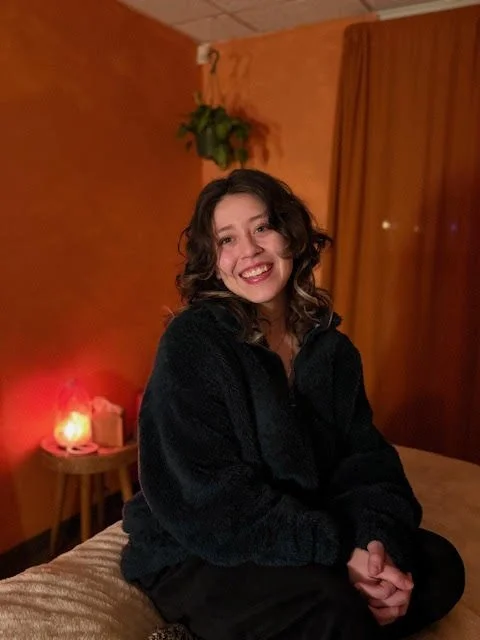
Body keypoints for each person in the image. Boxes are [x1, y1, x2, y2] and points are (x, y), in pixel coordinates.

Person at [121, 169, 465, 640]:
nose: (249, 251)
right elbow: (206, 498)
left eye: (262, 227)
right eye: (227, 239)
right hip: (199, 545)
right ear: (213, 261)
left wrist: (374, 546)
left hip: (302, 528)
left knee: (440, 568)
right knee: (333, 603)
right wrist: (337, 552)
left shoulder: (332, 351)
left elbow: (366, 463)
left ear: (291, 236)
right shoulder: (193, 343)